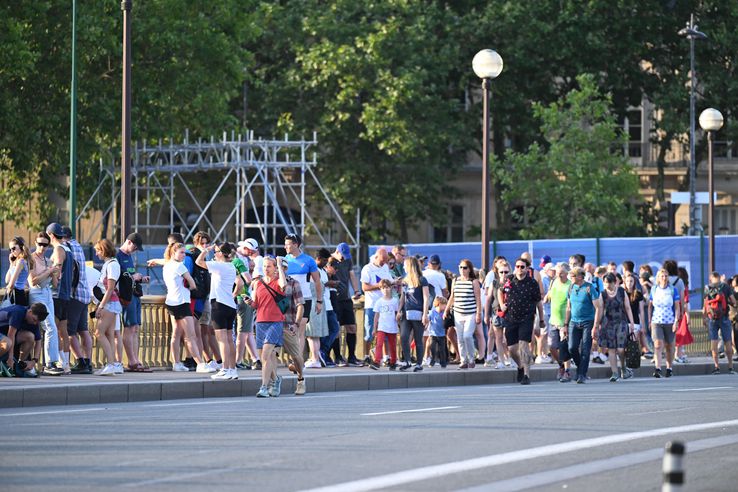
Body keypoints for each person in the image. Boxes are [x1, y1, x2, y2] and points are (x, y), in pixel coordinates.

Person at [162, 242, 213, 374]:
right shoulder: (180, 266)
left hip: (171, 301)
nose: (184, 255)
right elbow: (192, 283)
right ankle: (200, 364)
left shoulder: (167, 266)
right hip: (182, 302)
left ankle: (176, 363)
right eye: (181, 252)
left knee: (176, 334)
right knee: (190, 335)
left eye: (185, 252)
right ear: (173, 253)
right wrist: (191, 288)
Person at [196, 242, 242, 380]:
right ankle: (232, 369)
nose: (214, 253)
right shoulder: (231, 266)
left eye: (216, 251)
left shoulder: (219, 266)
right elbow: (239, 283)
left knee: (222, 340)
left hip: (219, 305)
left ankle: (225, 369)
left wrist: (204, 250)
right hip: (230, 305)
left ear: (221, 253)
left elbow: (199, 262)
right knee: (229, 340)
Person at [244, 256, 288, 397]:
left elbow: (283, 284)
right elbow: (256, 304)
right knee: (265, 357)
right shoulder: (258, 283)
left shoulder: (278, 282)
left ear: (274, 268)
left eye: (269, 266)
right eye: (264, 266)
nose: (266, 269)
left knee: (266, 354)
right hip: (261, 321)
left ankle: (263, 387)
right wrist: (249, 302)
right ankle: (275, 380)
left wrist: (280, 266)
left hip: (275, 322)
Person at [498, 257, 544, 385]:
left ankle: (526, 375)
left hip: (527, 318)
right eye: (517, 266)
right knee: (512, 348)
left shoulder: (532, 283)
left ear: (527, 268)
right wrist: (502, 304)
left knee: (524, 345)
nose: (519, 269)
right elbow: (499, 290)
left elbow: (538, 302)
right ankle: (520, 366)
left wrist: (541, 319)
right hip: (511, 317)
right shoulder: (509, 279)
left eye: (522, 267)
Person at [62, 226, 96, 375]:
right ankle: (88, 362)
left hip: (74, 294)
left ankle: (80, 361)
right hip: (85, 294)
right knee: (83, 331)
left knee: (69, 332)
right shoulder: (77, 245)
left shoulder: (66, 248)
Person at [27, 233, 62, 375]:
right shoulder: (31, 259)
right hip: (37, 293)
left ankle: (51, 362)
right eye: (39, 244)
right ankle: (49, 363)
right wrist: (49, 271)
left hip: (48, 294)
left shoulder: (48, 260)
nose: (42, 247)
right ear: (35, 243)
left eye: (45, 245)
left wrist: (54, 273)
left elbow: (54, 284)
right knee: (50, 327)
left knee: (51, 327)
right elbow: (32, 281)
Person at [270, 259, 306, 396]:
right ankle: (274, 381)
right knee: (271, 353)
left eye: (281, 267)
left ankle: (301, 379)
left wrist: (296, 324)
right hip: (273, 324)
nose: (279, 270)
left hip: (288, 324)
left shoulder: (293, 283)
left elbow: (300, 305)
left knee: (296, 356)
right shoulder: (270, 283)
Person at [116, 232, 151, 372]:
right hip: (126, 296)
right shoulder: (118, 256)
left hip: (135, 294)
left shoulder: (129, 257)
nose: (136, 251)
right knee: (129, 328)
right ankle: (131, 361)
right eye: (135, 247)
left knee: (135, 328)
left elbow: (129, 275)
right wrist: (133, 277)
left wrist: (140, 279)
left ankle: (135, 360)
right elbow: (118, 277)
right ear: (129, 242)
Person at [284, 233, 322, 360]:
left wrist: (319, 301)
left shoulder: (308, 260)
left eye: (288, 244)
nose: (286, 247)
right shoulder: (285, 259)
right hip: (289, 300)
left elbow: (317, 281)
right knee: (290, 331)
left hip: (305, 298)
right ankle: (291, 356)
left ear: (296, 245)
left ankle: (297, 359)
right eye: (285, 244)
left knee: (300, 329)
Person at [564, 266, 603, 384]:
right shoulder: (570, 287)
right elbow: (568, 308)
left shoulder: (589, 288)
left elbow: (598, 307)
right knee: (572, 347)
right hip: (574, 322)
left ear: (580, 276)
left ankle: (581, 374)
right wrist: (565, 324)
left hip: (588, 322)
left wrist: (595, 326)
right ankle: (581, 367)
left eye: (573, 276)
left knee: (586, 349)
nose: (570, 278)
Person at [92, 239, 123, 376]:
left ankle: (111, 364)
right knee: (109, 334)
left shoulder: (111, 265)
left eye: (98, 250)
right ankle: (113, 364)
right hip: (112, 303)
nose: (97, 253)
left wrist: (101, 306)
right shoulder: (110, 264)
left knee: (99, 333)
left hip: (110, 303)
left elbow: (110, 289)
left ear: (104, 250)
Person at [444, 258, 482, 369]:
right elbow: (452, 297)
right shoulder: (456, 280)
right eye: (460, 267)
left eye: (465, 267)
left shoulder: (473, 282)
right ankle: (463, 360)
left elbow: (478, 299)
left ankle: (471, 358)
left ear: (469, 269)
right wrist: (447, 309)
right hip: (458, 313)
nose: (462, 269)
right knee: (460, 338)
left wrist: (479, 313)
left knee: (467, 336)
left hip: (470, 313)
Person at [47, 222, 73, 374]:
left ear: (51, 235)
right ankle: (66, 364)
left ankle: (58, 363)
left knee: (55, 330)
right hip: (66, 295)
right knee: (63, 331)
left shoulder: (58, 249)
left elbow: (57, 269)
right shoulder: (68, 249)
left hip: (57, 294)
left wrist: (53, 282)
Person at [360, 248, 395, 362]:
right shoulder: (367, 268)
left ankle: (385, 357)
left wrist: (395, 282)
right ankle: (366, 356)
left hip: (385, 303)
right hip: (372, 305)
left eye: (386, 260)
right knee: (369, 331)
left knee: (385, 331)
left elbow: (389, 281)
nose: (384, 263)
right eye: (382, 260)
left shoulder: (385, 267)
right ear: (376, 257)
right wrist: (378, 285)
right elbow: (364, 287)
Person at [599, 273, 635, 381]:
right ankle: (615, 373)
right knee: (611, 349)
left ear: (615, 282)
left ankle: (623, 368)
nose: (607, 285)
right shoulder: (603, 294)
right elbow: (600, 310)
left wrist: (631, 323)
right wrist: (597, 325)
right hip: (608, 323)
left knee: (620, 349)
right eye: (605, 283)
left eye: (609, 283)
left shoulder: (621, 292)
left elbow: (628, 308)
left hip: (621, 322)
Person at [331, 243, 362, 366]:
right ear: (337, 252)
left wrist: (356, 290)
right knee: (337, 329)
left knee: (352, 327)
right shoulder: (330, 260)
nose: (344, 258)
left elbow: (352, 275)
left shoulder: (347, 260)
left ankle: (352, 356)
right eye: (342, 256)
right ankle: (338, 357)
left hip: (346, 298)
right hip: (335, 298)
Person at [648, 268, 681, 378]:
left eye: (666, 276)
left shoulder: (672, 290)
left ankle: (669, 368)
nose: (664, 278)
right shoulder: (654, 289)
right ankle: (657, 368)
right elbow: (650, 306)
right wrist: (649, 319)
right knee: (658, 345)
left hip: (669, 321)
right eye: (662, 276)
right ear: (658, 277)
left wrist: (676, 321)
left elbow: (677, 307)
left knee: (669, 346)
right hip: (656, 321)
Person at [398, 256, 429, 372]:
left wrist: (425, 314)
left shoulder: (422, 280)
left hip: (418, 312)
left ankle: (419, 363)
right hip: (406, 312)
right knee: (404, 336)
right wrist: (399, 310)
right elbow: (403, 297)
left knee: (418, 338)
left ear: (410, 266)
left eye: (405, 265)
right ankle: (407, 361)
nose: (404, 267)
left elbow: (426, 298)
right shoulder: (405, 281)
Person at [0, 303, 49, 376]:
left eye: (37, 322)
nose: (35, 323)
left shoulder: (34, 321)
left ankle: (20, 365)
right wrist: (10, 358)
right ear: (30, 312)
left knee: (30, 336)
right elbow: (11, 335)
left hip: (4, 335)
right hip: (5, 336)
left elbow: (38, 342)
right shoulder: (18, 312)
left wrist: (34, 361)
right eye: (34, 320)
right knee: (7, 342)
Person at [704, 271, 736, 374]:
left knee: (714, 343)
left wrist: (704, 317)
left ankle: (716, 367)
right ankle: (730, 367)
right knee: (728, 342)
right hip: (725, 317)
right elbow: (733, 301)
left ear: (710, 278)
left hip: (712, 318)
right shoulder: (726, 287)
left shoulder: (707, 288)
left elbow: (705, 304)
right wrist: (731, 303)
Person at [545, 262, 572, 382]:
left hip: (564, 321)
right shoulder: (554, 281)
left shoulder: (570, 285)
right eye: (557, 272)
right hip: (553, 320)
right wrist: (546, 297)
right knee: (551, 347)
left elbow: (570, 305)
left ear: (567, 273)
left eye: (561, 273)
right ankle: (561, 364)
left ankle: (567, 371)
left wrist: (566, 323)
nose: (558, 275)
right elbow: (550, 293)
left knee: (563, 347)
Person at [368, 279, 401, 371]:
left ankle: (393, 361)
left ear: (390, 288)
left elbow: (397, 313)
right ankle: (377, 361)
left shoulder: (395, 301)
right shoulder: (379, 302)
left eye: (387, 287)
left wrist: (399, 324)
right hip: (382, 327)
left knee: (392, 346)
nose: (385, 290)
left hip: (392, 327)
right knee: (379, 344)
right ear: (380, 289)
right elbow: (376, 315)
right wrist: (374, 328)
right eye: (383, 288)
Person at [316, 249, 341, 367]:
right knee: (325, 331)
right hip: (321, 304)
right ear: (319, 259)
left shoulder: (322, 270)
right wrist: (330, 283)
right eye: (325, 260)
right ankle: (322, 353)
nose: (326, 263)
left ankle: (323, 351)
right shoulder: (314, 270)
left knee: (335, 329)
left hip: (328, 304)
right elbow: (316, 284)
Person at [623, 272, 647, 358]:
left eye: (631, 281)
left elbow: (641, 310)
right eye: (628, 281)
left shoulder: (638, 294)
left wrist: (643, 325)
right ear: (624, 282)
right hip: (624, 322)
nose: (629, 283)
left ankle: (631, 366)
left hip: (635, 322)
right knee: (624, 346)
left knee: (633, 344)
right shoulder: (622, 293)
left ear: (634, 283)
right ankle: (624, 366)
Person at [6, 237, 31, 307]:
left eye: (13, 248)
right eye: (10, 249)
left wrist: (8, 292)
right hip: (19, 294)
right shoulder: (19, 261)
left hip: (16, 294)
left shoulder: (21, 261)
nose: (12, 251)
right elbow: (7, 280)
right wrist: (11, 263)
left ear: (21, 246)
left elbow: (11, 284)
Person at [428, 296, 448, 367]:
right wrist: (425, 325)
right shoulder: (432, 312)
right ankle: (433, 360)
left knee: (442, 349)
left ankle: (443, 362)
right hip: (433, 334)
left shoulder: (444, 313)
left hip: (442, 334)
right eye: (444, 305)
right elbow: (428, 319)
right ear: (439, 304)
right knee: (432, 348)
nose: (446, 306)